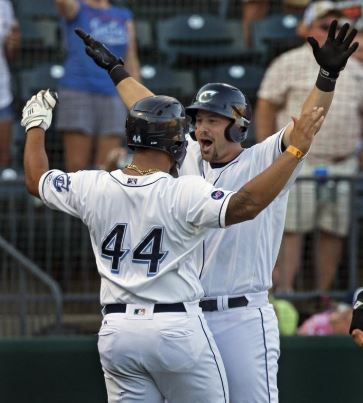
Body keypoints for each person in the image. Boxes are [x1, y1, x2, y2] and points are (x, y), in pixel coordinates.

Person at [75, 17, 358, 403]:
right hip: (187, 317)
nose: (200, 127)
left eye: (213, 120)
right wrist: (115, 69)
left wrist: (327, 75)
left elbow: (307, 124)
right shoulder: (187, 157)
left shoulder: (263, 159)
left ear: (238, 127)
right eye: (197, 120)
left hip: (241, 315)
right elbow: (147, 104)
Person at [21, 89, 322, 402]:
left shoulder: (94, 185)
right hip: (175, 327)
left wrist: (35, 127)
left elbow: (35, 179)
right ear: (177, 145)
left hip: (116, 331)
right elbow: (246, 205)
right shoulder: (184, 192)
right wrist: (295, 152)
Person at [255, 1, 363, 292]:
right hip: (298, 161)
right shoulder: (287, 62)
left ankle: (323, 299)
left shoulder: (356, 66)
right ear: (305, 28)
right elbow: (265, 108)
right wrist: (270, 155)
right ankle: (286, 294)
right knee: (290, 230)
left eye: (337, 25)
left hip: (342, 162)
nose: (330, 31)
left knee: (333, 232)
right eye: (323, 25)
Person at [55, 0, 140, 172]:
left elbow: (131, 58)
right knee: (76, 168)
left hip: (115, 92)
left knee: (107, 167)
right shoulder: (77, 7)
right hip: (78, 90)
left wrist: (138, 101)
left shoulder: (123, 15)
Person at [0, 0, 20, 176]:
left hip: (1, 92)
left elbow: (10, 53)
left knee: (3, 158)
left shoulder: (4, 5)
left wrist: (13, 44)